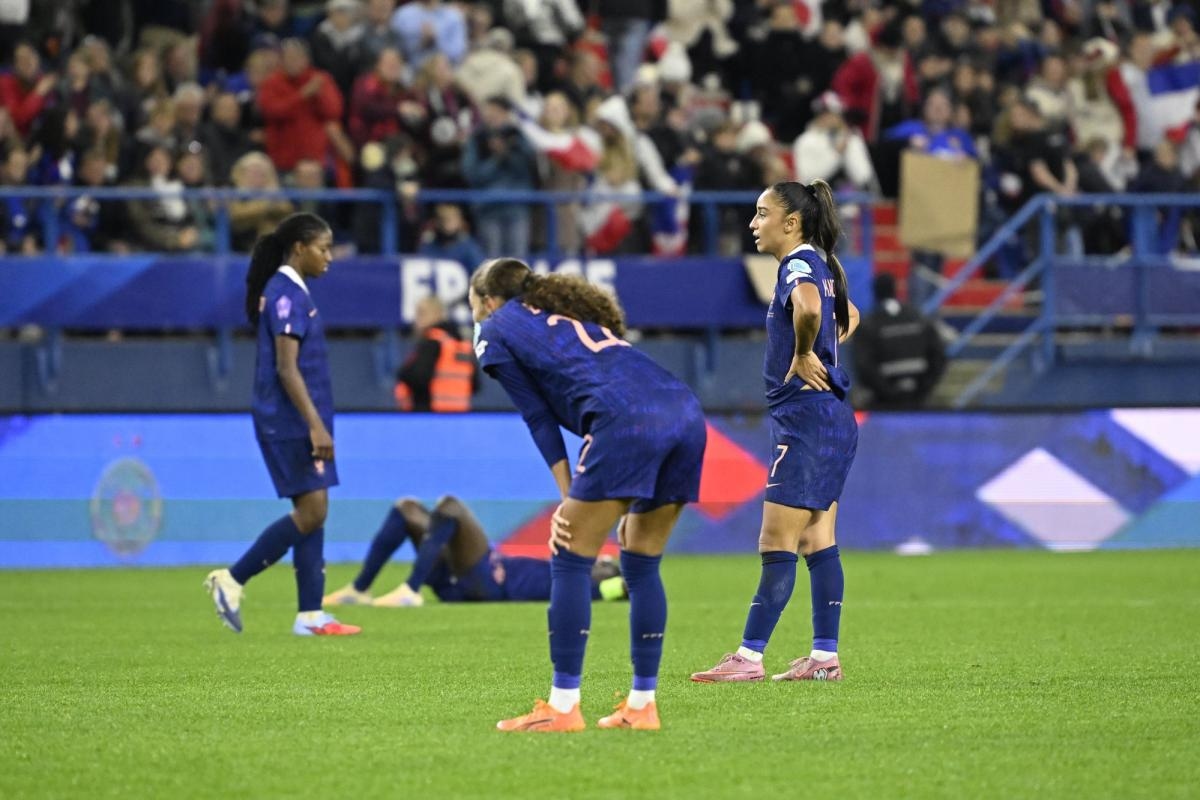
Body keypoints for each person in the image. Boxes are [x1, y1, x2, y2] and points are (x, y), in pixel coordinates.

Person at [471, 257, 707, 732]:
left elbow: (539, 418)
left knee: (570, 555)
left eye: (475, 307)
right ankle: (642, 706)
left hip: (626, 421)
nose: (476, 316)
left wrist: (567, 494)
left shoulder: (496, 328)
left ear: (490, 301)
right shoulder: (572, 316)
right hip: (685, 412)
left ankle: (562, 709)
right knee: (640, 561)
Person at [691, 180, 860, 685]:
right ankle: (824, 658)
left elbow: (809, 309)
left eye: (762, 213)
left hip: (805, 418)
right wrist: (825, 347)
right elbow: (848, 313)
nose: (753, 223)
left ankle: (748, 656)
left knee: (776, 539)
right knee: (818, 538)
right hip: (831, 415)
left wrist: (807, 352)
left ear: (791, 223)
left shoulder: (798, 265)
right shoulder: (825, 263)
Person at [204, 212, 361, 638]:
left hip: (295, 418)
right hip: (290, 420)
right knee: (312, 511)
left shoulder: (289, 290)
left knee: (312, 511)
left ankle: (310, 615)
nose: (330, 257)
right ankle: (232, 579)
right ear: (298, 248)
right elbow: (287, 369)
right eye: (322, 248)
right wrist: (315, 425)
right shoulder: (286, 295)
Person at [323, 495, 627, 607]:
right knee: (406, 509)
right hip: (463, 580)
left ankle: (410, 590)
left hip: (490, 583)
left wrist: (621, 584)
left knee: (451, 507)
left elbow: (616, 588)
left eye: (605, 566)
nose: (602, 561)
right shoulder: (564, 567)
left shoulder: (579, 584)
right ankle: (359, 589)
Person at [852, 274, 946, 409]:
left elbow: (863, 365)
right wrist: (923, 389)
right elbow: (939, 356)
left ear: (875, 292)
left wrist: (888, 392)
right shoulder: (918, 317)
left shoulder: (868, 325)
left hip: (884, 406)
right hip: (918, 403)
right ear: (895, 290)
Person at [393, 295, 478, 412]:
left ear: (438, 315)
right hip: (459, 415)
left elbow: (417, 377)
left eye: (422, 313)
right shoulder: (463, 345)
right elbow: (475, 385)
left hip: (429, 415)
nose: (417, 320)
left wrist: (403, 373)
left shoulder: (432, 342)